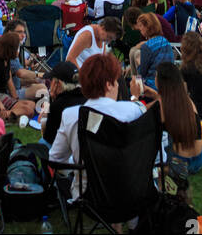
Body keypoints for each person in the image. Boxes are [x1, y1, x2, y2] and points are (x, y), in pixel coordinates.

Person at [49, 52, 145, 198]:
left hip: (89, 196)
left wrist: (78, 161)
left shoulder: (71, 115)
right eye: (116, 81)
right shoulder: (134, 111)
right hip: (131, 194)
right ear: (108, 85)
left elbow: (56, 159)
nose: (118, 85)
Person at [140, 62, 202, 201]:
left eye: (156, 76)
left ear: (161, 81)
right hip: (198, 159)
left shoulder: (160, 106)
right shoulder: (186, 100)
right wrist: (156, 95)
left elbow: (138, 112)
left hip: (179, 162)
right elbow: (167, 103)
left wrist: (134, 95)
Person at [0, 31, 36, 123]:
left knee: (31, 105)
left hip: (3, 96)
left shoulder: (6, 61)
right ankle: (3, 116)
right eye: (17, 48)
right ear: (11, 49)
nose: (18, 51)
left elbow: (9, 80)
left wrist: (16, 99)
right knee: (29, 111)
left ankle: (12, 117)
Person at [41, 61, 84, 147]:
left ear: (57, 83)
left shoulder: (58, 106)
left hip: (67, 153)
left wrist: (52, 103)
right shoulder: (88, 98)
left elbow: (49, 138)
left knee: (42, 143)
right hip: (86, 149)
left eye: (51, 80)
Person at [130, 12, 175, 87]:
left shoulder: (147, 47)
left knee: (136, 54)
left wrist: (138, 62)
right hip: (168, 84)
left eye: (141, 26)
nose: (139, 29)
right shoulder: (165, 41)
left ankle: (136, 93)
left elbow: (142, 74)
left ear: (148, 27)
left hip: (152, 86)